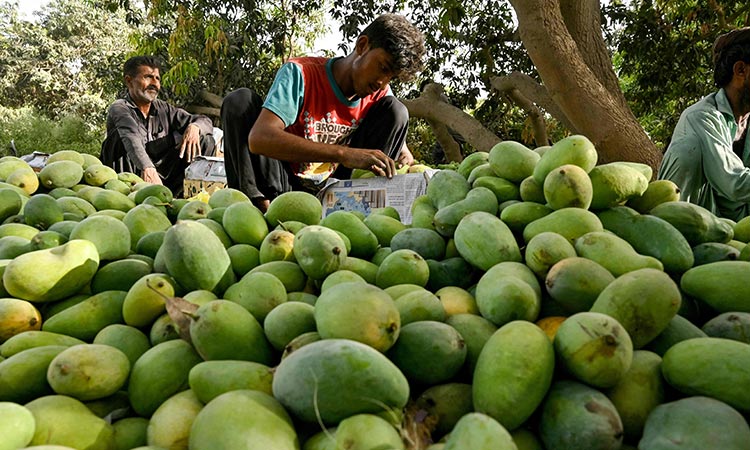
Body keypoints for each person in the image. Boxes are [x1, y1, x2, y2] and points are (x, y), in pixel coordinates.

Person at [221, 13, 425, 211]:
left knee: (397, 111)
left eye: (391, 77)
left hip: (335, 191)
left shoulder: (378, 92)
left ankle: (358, 212)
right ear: (362, 45)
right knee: (239, 101)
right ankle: (258, 210)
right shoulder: (302, 73)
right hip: (283, 186)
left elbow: (393, 120)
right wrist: (343, 154)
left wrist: (403, 150)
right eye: (382, 67)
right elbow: (260, 138)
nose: (382, 83)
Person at [657, 27, 750, 221]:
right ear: (741, 70)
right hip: (692, 223)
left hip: (736, 231)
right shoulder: (701, 116)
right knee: (688, 149)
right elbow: (735, 184)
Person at [100, 55, 216, 197]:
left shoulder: (164, 108)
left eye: (157, 78)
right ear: (129, 81)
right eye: (148, 77)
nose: (154, 83)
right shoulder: (119, 108)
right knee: (120, 138)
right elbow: (131, 138)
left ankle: (183, 196)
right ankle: (127, 198)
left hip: (163, 175)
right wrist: (147, 168)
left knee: (204, 139)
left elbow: (204, 120)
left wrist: (195, 127)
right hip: (132, 177)